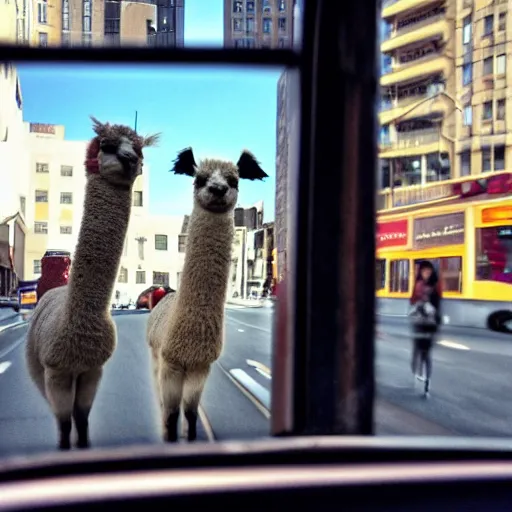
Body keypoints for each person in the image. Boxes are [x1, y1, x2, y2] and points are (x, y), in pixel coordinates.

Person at [409, 260, 442, 393]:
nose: (426, 273)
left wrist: (432, 311)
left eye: (428, 271)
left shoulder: (435, 286)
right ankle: (416, 372)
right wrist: (417, 305)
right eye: (424, 271)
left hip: (430, 324)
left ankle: (427, 381)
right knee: (417, 351)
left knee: (426, 353)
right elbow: (412, 301)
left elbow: (438, 304)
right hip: (418, 323)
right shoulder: (417, 285)